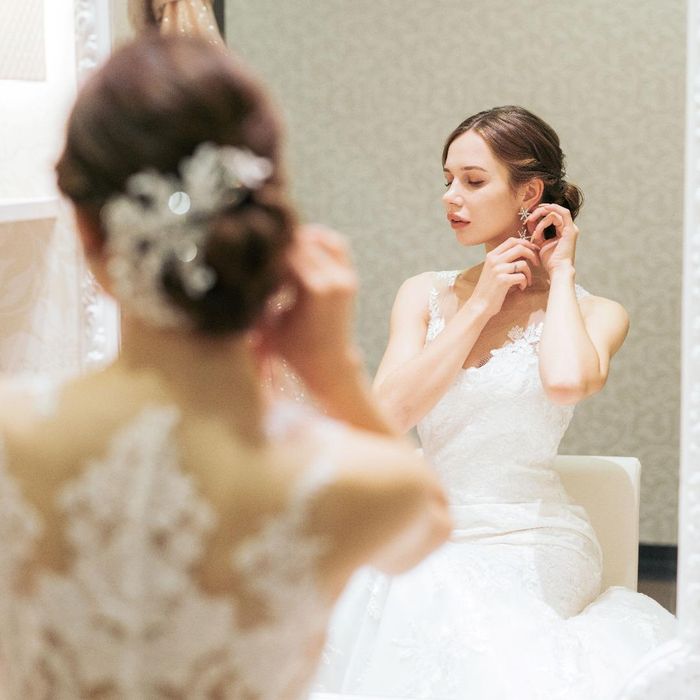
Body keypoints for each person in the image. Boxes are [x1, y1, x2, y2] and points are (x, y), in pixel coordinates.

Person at [0, 34, 451, 699]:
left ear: (89, 233)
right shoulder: (357, 482)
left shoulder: (10, 438)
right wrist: (332, 366)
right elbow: (430, 525)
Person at [315, 106, 676, 700]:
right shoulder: (422, 294)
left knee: (435, 603)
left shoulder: (597, 312)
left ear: (528, 193)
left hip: (531, 539)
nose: (450, 196)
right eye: (447, 179)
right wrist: (480, 303)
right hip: (429, 528)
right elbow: (385, 420)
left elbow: (566, 382)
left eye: (473, 181)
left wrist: (561, 275)